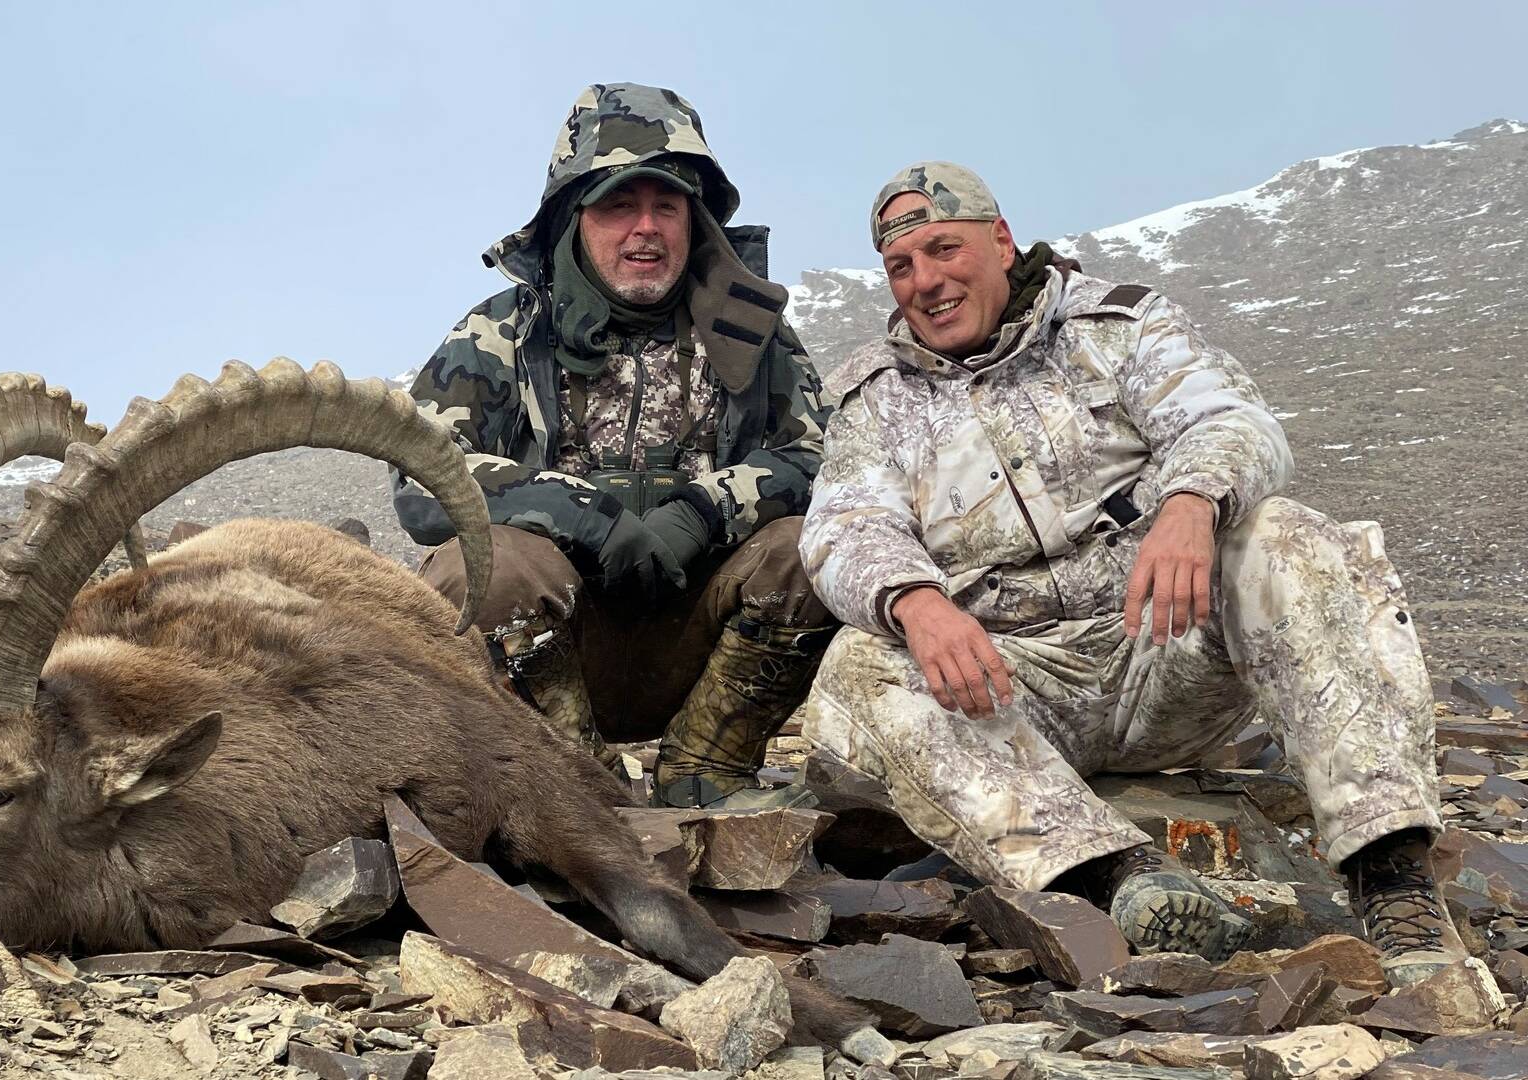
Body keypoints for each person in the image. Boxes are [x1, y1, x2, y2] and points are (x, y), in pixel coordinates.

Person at [798, 161, 1462, 984]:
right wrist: (918, 602)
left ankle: (1391, 875)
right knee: (859, 660)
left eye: (945, 250)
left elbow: (1231, 418)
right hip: (1008, 691)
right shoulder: (874, 396)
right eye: (902, 267)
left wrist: (1192, 503)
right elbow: (845, 524)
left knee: (1285, 534)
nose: (927, 282)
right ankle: (1117, 880)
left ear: (1001, 243)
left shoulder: (1116, 326)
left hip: (1161, 651)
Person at [394, 83, 832, 809]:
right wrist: (586, 520)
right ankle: (578, 791)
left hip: (704, 646)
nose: (646, 229)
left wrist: (701, 512)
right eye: (619, 206)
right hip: (555, 649)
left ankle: (707, 771)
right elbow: (421, 474)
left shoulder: (759, 334)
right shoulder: (503, 331)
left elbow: (823, 465)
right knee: (482, 565)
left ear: (694, 218)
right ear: (575, 215)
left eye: (667, 206)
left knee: (815, 550)